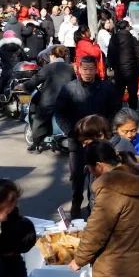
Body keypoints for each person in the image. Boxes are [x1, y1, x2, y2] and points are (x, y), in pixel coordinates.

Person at [69, 141, 139, 277]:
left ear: (99, 166)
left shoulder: (111, 190)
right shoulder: (136, 176)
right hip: (137, 263)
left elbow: (96, 232)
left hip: (115, 270)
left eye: (90, 168)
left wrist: (79, 260)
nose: (90, 173)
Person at [57, 58, 120, 219]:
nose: (88, 73)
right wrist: (71, 131)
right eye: (84, 69)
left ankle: (95, 207)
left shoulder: (106, 88)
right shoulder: (69, 88)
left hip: (100, 141)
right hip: (77, 141)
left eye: (91, 69)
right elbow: (60, 113)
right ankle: (76, 202)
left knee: (97, 176)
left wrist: (106, 129)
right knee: (77, 175)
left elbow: (116, 109)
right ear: (78, 69)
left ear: (96, 69)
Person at [20, 45, 75, 152]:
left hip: (50, 101)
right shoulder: (70, 68)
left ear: (53, 56)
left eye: (50, 55)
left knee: (39, 118)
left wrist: (24, 86)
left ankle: (36, 143)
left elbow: (35, 80)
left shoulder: (48, 68)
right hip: (67, 101)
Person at [106, 20, 139, 111]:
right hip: (132, 69)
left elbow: (110, 53)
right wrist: (137, 66)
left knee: (119, 92)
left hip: (119, 70)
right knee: (132, 92)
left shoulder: (114, 38)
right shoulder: (132, 39)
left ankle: (117, 112)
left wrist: (112, 66)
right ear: (127, 27)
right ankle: (133, 111)